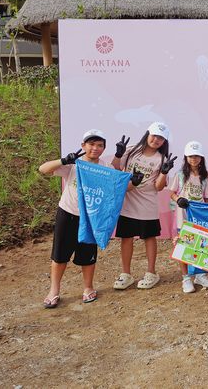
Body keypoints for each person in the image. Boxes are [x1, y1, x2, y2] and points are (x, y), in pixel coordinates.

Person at [38, 129, 108, 307]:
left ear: (103, 148)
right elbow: (43, 169)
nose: (95, 148)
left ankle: (88, 288)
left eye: (100, 145)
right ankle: (54, 290)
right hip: (67, 214)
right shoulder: (73, 165)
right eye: (91, 144)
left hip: (91, 218)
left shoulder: (106, 168)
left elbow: (119, 188)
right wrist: (63, 160)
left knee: (88, 255)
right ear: (83, 146)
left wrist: (135, 182)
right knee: (60, 255)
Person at [112, 122, 176, 290]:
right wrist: (118, 154)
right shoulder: (132, 150)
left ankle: (151, 272)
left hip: (147, 205)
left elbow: (158, 187)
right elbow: (115, 168)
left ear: (164, 141)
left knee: (149, 238)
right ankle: (126, 274)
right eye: (154, 135)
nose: (156, 140)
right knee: (126, 238)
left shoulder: (161, 158)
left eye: (161, 138)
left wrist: (164, 172)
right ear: (148, 134)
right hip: (128, 201)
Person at [169, 140, 208, 293]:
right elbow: (172, 192)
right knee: (183, 246)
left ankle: (200, 274)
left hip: (199, 218)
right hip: (183, 217)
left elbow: (207, 198)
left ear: (201, 158)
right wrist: (178, 200)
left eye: (197, 156)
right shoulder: (180, 175)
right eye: (191, 156)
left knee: (201, 245)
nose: (194, 159)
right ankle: (186, 277)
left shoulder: (205, 177)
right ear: (186, 157)